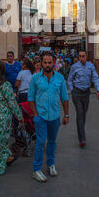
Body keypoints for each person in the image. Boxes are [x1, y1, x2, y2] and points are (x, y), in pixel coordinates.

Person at [28, 53, 69, 183]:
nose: (47, 65)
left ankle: (51, 164)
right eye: (45, 62)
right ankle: (36, 169)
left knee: (52, 141)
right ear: (41, 63)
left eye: (49, 62)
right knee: (40, 143)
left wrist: (66, 114)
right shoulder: (35, 78)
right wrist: (35, 115)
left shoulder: (60, 78)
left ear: (54, 63)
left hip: (55, 116)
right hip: (41, 116)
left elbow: (64, 97)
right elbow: (30, 98)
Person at [68, 50, 99, 147]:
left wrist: (98, 90)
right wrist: (72, 91)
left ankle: (81, 131)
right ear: (78, 57)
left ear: (86, 57)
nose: (81, 58)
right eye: (80, 56)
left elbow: (95, 77)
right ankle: (82, 138)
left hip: (86, 93)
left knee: (84, 114)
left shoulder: (90, 66)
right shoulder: (74, 67)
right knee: (80, 114)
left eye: (83, 56)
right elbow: (70, 80)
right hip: (77, 92)